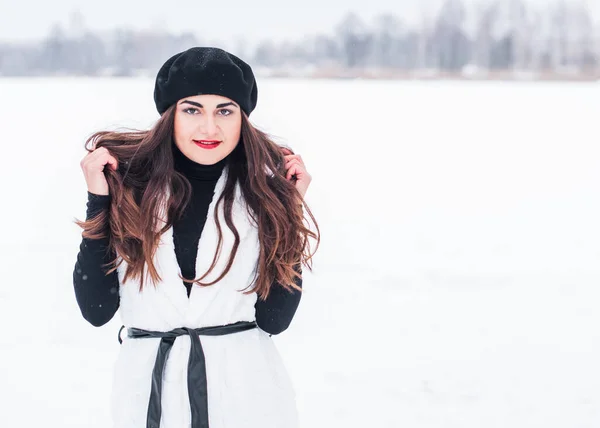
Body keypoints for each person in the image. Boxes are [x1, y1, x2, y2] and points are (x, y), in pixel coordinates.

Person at [72, 46, 320, 428]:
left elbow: (275, 319)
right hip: (148, 399)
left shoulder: (264, 196)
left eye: (225, 110)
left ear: (243, 119)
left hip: (247, 402)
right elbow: (96, 310)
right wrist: (99, 202)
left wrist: (289, 211)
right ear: (170, 116)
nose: (209, 127)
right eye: (192, 110)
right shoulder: (128, 188)